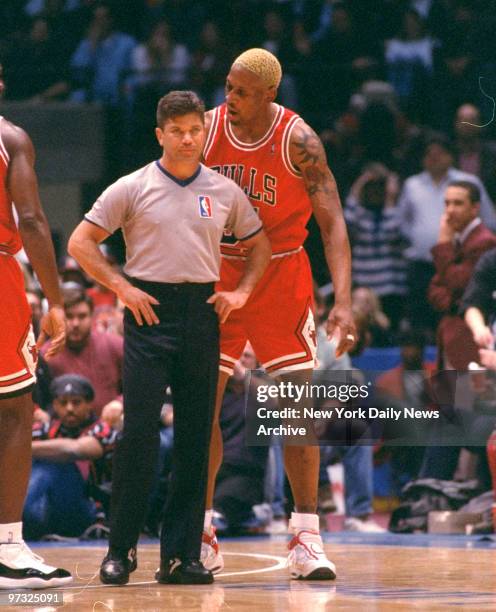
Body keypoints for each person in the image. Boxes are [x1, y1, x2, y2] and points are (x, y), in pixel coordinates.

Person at [68, 90, 271, 585]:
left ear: (204, 131)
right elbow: (80, 241)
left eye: (195, 129)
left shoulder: (223, 190)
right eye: (177, 130)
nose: (187, 138)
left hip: (202, 312)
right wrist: (120, 287)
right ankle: (121, 551)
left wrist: (241, 292)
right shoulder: (133, 186)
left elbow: (260, 242)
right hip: (149, 313)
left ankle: (182, 556)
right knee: (138, 435)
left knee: (196, 439)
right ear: (160, 134)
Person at [202, 48, 356, 580]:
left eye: (242, 91)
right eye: (228, 86)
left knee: (296, 404)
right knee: (205, 405)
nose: (231, 98)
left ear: (270, 94)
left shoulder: (300, 141)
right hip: (218, 272)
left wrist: (344, 298)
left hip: (281, 273)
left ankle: (306, 535)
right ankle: (201, 532)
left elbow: (332, 222)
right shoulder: (203, 130)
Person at [0, 63, 72, 588]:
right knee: (13, 410)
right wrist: (54, 299)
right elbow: (30, 220)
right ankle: (7, 546)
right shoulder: (10, 139)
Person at [24, 375, 118, 540]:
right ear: (54, 405)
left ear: (89, 404)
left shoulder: (102, 429)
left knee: (55, 462)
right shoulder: (45, 428)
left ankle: (17, 522)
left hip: (89, 510)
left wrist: (22, 448)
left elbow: (76, 449)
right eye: (63, 403)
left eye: (76, 402)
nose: (69, 408)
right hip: (50, 509)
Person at [428, 181, 496, 370]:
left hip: (470, 337)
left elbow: (460, 286)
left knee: (465, 397)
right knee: (451, 397)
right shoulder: (458, 240)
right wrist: (452, 301)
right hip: (452, 332)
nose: (449, 210)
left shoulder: (484, 242)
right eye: (447, 203)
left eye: (458, 203)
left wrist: (443, 244)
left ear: (475, 208)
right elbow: (434, 289)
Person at [40, 285, 124, 416]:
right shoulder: (46, 354)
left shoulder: (115, 345)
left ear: (92, 317)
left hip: (111, 427)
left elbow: (139, 385)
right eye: (69, 316)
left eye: (82, 316)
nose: (75, 324)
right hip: (61, 430)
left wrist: (120, 403)